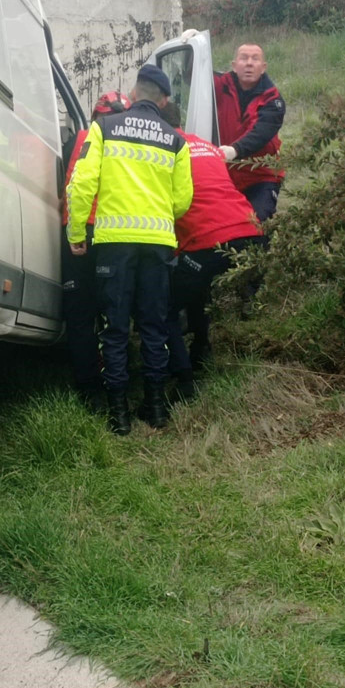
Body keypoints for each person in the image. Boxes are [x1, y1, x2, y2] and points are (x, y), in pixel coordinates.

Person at [66, 65, 193, 435]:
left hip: (113, 246)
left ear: (133, 94)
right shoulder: (176, 141)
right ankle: (155, 408)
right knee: (153, 326)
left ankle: (118, 415)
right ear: (164, 100)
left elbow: (82, 183)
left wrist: (76, 232)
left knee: (115, 327)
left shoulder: (103, 128)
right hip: (157, 246)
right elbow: (183, 200)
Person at [160, 102, 266, 397]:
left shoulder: (164, 149)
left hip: (212, 238)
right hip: (251, 231)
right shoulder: (204, 145)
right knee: (195, 285)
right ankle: (202, 349)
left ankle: (183, 383)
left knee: (165, 307)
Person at [61, 91, 131, 413]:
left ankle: (88, 389)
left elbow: (73, 186)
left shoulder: (81, 138)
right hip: (112, 231)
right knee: (113, 308)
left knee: (79, 313)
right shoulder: (129, 144)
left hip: (79, 228)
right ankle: (117, 380)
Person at [180, 31, 285, 222]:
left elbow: (261, 133)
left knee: (256, 223)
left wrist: (234, 150)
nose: (249, 63)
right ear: (234, 66)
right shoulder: (222, 85)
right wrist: (191, 45)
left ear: (263, 67)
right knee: (223, 226)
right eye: (243, 58)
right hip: (225, 175)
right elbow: (191, 76)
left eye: (255, 59)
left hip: (261, 176)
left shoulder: (273, 99)